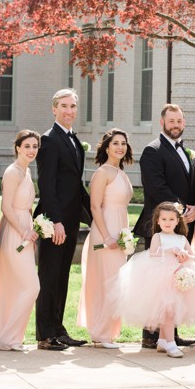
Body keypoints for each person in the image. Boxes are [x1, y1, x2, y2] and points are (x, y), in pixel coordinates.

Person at [135, 103, 195, 349]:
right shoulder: (152, 151)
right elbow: (156, 186)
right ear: (162, 123)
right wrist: (181, 210)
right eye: (171, 121)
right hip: (161, 226)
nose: (176, 125)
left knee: (176, 278)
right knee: (156, 280)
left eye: (179, 121)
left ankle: (169, 333)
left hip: (183, 227)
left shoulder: (190, 153)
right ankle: (152, 334)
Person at [117, 203, 195, 357]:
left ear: (178, 221)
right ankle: (171, 344)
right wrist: (169, 250)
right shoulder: (158, 236)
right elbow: (153, 254)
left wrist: (184, 255)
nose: (167, 222)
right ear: (158, 221)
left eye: (171, 219)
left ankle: (163, 340)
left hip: (179, 275)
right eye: (164, 219)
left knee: (171, 310)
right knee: (168, 310)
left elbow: (193, 257)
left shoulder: (182, 238)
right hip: (161, 277)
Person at [34, 89, 92, 351]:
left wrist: (94, 215)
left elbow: (76, 185)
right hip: (53, 222)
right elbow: (46, 186)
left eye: (73, 106)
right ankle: (45, 334)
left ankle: (58, 329)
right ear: (54, 109)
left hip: (70, 221)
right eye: (64, 106)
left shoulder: (73, 141)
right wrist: (56, 221)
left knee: (62, 276)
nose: (69, 111)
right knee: (49, 277)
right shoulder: (48, 140)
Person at [0, 130, 40, 351]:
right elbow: (6, 207)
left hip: (26, 229)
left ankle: (11, 338)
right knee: (32, 286)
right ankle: (7, 338)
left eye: (35, 147)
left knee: (17, 286)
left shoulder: (27, 171)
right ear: (17, 148)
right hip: (14, 232)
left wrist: (35, 227)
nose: (31, 150)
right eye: (27, 146)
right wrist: (24, 230)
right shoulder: (13, 172)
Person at [77, 129, 134, 348]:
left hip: (119, 231)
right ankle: (100, 333)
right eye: (115, 143)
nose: (120, 147)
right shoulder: (103, 173)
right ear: (107, 147)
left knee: (116, 282)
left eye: (123, 143)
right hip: (105, 231)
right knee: (105, 282)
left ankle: (108, 332)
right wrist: (107, 235)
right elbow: (95, 206)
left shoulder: (121, 172)